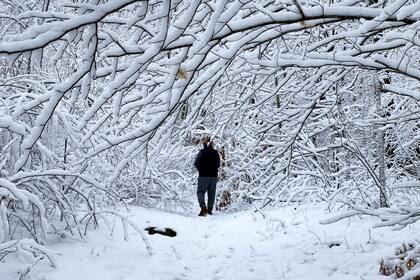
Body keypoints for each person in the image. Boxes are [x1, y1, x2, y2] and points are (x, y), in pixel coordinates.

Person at [194, 136, 220, 216]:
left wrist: (201, 170)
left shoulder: (202, 152)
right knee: (211, 193)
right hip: (213, 177)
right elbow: (218, 164)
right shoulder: (216, 153)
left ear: (204, 143)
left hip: (203, 176)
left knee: (200, 192)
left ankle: (203, 208)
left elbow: (196, 163)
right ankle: (210, 211)